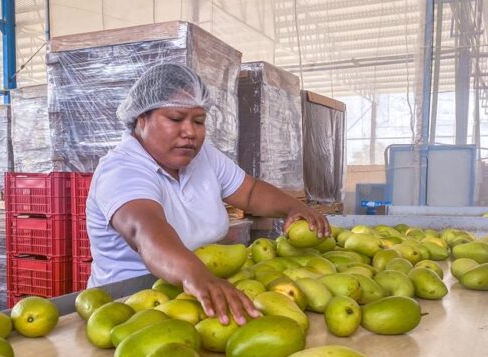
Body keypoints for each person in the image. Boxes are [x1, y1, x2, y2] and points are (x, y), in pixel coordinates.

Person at [86, 63, 330, 326]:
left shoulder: (202, 157)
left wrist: (293, 207)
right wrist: (197, 275)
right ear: (141, 119)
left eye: (199, 121)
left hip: (195, 298)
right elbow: (145, 231)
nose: (190, 132)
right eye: (176, 119)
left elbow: (249, 192)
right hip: (127, 311)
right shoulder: (122, 169)